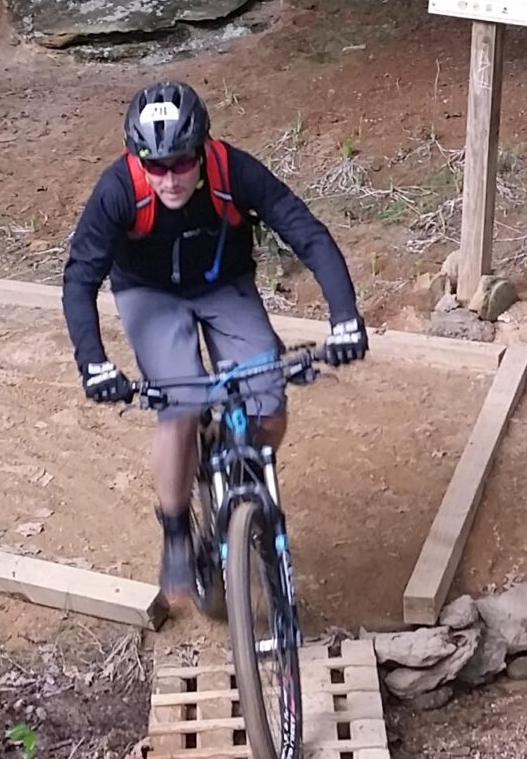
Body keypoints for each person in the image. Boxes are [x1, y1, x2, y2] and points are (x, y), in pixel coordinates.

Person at [64, 80, 368, 609]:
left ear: (202, 149)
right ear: (137, 160)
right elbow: (79, 277)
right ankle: (178, 530)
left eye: (181, 162)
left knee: (270, 398)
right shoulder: (118, 190)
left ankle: (247, 480)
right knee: (180, 405)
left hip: (225, 287)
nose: (170, 178)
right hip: (149, 294)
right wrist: (94, 364)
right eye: (155, 166)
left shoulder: (235, 171)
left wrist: (344, 319)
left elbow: (307, 233)